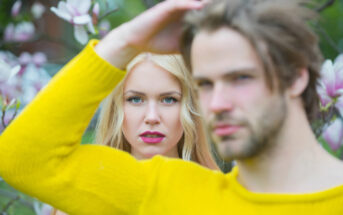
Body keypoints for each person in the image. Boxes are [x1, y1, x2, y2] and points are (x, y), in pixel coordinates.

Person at [1, 0, 343, 214]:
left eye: (240, 78)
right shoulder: (166, 191)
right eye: (205, 84)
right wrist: (125, 43)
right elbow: (24, 159)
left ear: (296, 78)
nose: (217, 104)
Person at [50, 53, 217, 215]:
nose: (152, 117)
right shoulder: (83, 196)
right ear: (116, 109)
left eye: (168, 99)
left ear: (190, 109)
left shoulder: (215, 194)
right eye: (136, 99)